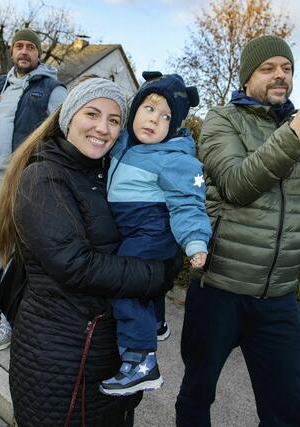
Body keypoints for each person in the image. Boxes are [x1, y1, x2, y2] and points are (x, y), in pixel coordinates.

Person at [175, 35, 300, 426]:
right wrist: (295, 135)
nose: (280, 75)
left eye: (287, 68)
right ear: (247, 78)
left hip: (279, 297)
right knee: (197, 394)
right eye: (268, 68)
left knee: (288, 411)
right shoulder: (223, 120)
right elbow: (236, 185)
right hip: (219, 288)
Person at [0, 77, 177, 426]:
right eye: (92, 114)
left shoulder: (105, 174)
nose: (103, 128)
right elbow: (74, 265)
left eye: (114, 120)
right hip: (62, 355)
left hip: (98, 351)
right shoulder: (44, 176)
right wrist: (156, 275)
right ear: (69, 117)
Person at [100, 72, 211, 396]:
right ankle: (157, 323)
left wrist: (195, 242)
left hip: (151, 232)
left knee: (124, 283)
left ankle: (141, 361)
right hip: (134, 230)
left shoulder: (174, 160)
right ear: (134, 108)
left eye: (166, 117)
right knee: (145, 285)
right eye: (149, 109)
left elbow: (188, 202)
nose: (154, 120)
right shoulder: (124, 142)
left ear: (173, 127)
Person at [0, 27, 67, 352]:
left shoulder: (52, 88)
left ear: (38, 53)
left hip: (24, 179)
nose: (24, 51)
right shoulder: (2, 85)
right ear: (11, 51)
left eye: (30, 47)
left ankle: (10, 319)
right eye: (19, 46)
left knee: (17, 252)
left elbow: (63, 130)